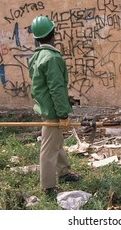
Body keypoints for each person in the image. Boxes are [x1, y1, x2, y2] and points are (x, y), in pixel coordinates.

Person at [28, 15, 80, 194]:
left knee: (55, 141)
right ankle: (47, 186)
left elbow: (40, 85)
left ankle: (64, 172)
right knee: (49, 148)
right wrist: (63, 113)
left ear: (36, 38)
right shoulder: (52, 58)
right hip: (52, 110)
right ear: (53, 33)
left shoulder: (36, 57)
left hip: (45, 106)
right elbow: (56, 89)